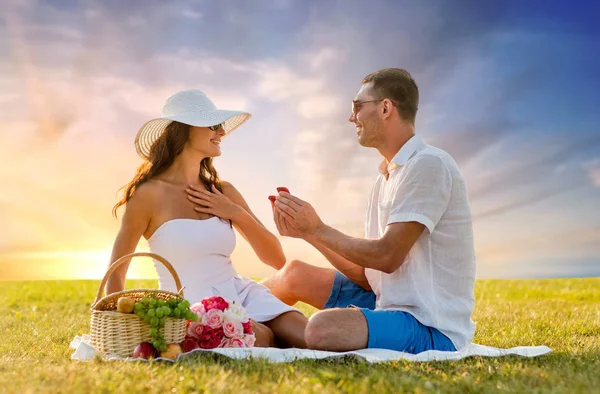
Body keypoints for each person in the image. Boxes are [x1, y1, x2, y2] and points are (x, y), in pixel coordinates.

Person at [264, 68, 476, 353]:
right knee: (293, 274)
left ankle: (256, 335)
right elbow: (367, 275)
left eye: (357, 106)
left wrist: (317, 228)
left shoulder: (429, 164)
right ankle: (219, 316)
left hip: (428, 326)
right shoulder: (385, 177)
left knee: (321, 328)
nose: (352, 117)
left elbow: (387, 256)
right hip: (384, 303)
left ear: (386, 107)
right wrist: (307, 233)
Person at [105, 89, 307, 348]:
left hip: (243, 293)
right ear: (185, 130)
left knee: (314, 335)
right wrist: (121, 322)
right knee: (266, 337)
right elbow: (117, 270)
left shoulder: (223, 191)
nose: (222, 132)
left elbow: (276, 259)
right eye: (213, 125)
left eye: (221, 125)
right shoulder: (148, 195)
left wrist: (235, 213)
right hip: (194, 309)